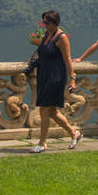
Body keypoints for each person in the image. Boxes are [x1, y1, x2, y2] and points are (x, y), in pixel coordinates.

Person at [31, 10, 81, 153]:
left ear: (54, 22)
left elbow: (67, 59)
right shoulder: (47, 34)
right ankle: (74, 133)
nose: (44, 25)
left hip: (56, 77)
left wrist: (72, 79)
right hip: (44, 76)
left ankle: (42, 143)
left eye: (46, 22)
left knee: (44, 109)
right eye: (43, 22)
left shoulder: (62, 37)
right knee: (52, 111)